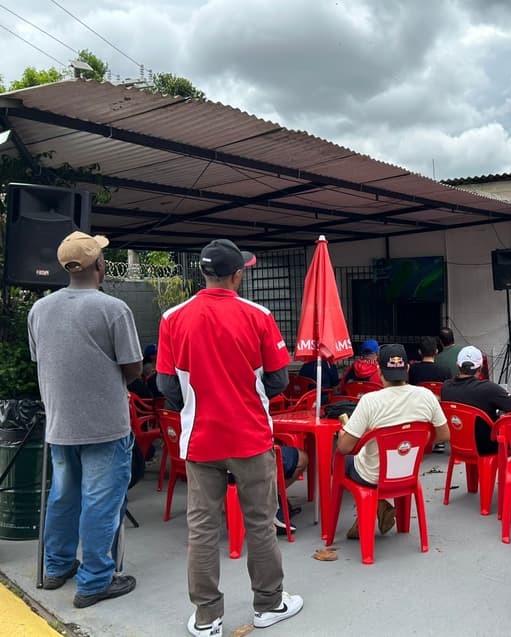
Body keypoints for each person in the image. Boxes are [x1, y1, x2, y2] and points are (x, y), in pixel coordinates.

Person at [155, 238, 304, 637]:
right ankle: (269, 604)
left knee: (202, 528)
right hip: (251, 436)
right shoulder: (259, 315)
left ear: (202, 272)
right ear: (238, 274)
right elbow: (279, 378)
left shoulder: (173, 317)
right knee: (260, 521)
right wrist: (247, 395)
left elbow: (165, 383)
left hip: (200, 440)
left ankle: (206, 618)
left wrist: (193, 402)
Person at [28, 230, 141, 608]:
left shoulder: (39, 310)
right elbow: (133, 368)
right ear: (99, 265)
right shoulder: (112, 308)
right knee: (100, 503)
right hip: (106, 425)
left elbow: (41, 359)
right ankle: (94, 581)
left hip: (61, 423)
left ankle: (57, 567)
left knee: (63, 496)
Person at [336, 344, 449, 539]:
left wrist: (341, 436)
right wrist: (416, 443)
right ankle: (378, 507)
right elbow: (445, 434)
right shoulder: (427, 396)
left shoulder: (370, 401)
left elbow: (345, 447)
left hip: (372, 475)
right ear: (407, 369)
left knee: (337, 459)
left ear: (379, 370)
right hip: (408, 471)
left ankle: (373, 508)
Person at [441, 346, 511, 455]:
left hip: (457, 445)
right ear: (480, 368)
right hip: (486, 447)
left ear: (458, 366)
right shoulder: (488, 388)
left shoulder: (445, 387)